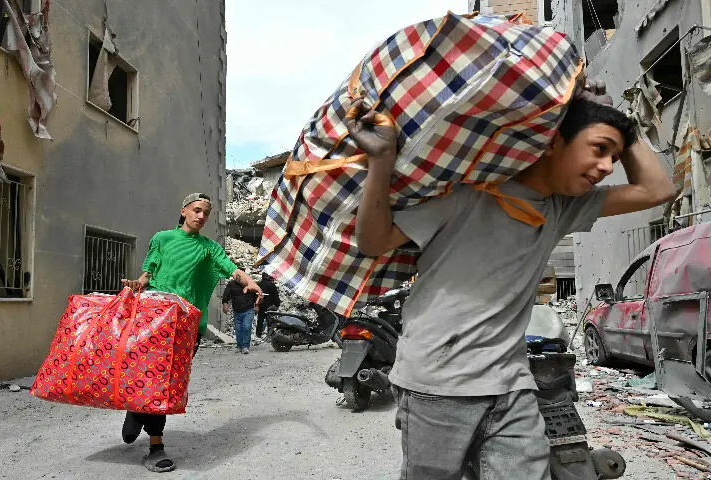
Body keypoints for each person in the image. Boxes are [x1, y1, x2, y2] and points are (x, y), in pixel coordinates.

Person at [345, 79, 676, 479]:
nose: (608, 167)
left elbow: (657, 189)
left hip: (512, 385)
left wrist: (624, 124)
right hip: (436, 385)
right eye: (600, 149)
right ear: (552, 141)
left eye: (616, 156)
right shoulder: (467, 194)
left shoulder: (561, 209)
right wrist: (381, 160)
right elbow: (373, 241)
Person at [119, 192, 263, 473]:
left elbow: (231, 268)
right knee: (151, 377)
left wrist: (250, 282)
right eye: (197, 210)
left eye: (206, 213)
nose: (201, 216)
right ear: (183, 211)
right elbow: (148, 272)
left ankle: (140, 416)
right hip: (156, 322)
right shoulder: (162, 239)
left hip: (188, 328)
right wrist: (137, 284)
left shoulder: (208, 247)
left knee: (167, 382)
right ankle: (155, 443)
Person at [222, 270, 257, 353]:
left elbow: (256, 295)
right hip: (237, 310)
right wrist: (225, 304)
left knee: (247, 326)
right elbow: (226, 295)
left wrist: (257, 305)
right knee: (238, 329)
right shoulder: (231, 284)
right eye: (236, 275)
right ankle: (239, 345)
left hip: (248, 309)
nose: (238, 277)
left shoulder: (250, 283)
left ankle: (245, 346)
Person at [255, 272, 281, 338]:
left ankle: (258, 334)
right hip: (270, 307)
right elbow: (275, 296)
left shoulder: (258, 284)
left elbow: (255, 296)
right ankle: (270, 335)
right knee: (270, 322)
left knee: (260, 321)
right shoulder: (271, 285)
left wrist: (256, 305)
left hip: (261, 306)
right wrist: (277, 305)